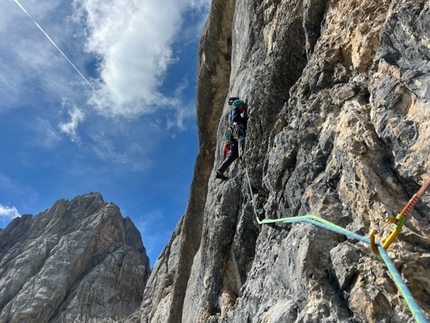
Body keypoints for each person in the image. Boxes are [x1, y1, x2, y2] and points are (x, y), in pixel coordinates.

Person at [216, 99, 248, 180]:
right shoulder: (235, 110)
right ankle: (242, 154)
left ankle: (220, 171)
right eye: (242, 106)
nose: (243, 108)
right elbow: (236, 119)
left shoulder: (232, 113)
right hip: (236, 128)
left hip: (232, 131)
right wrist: (246, 119)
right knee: (241, 139)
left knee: (234, 154)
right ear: (238, 105)